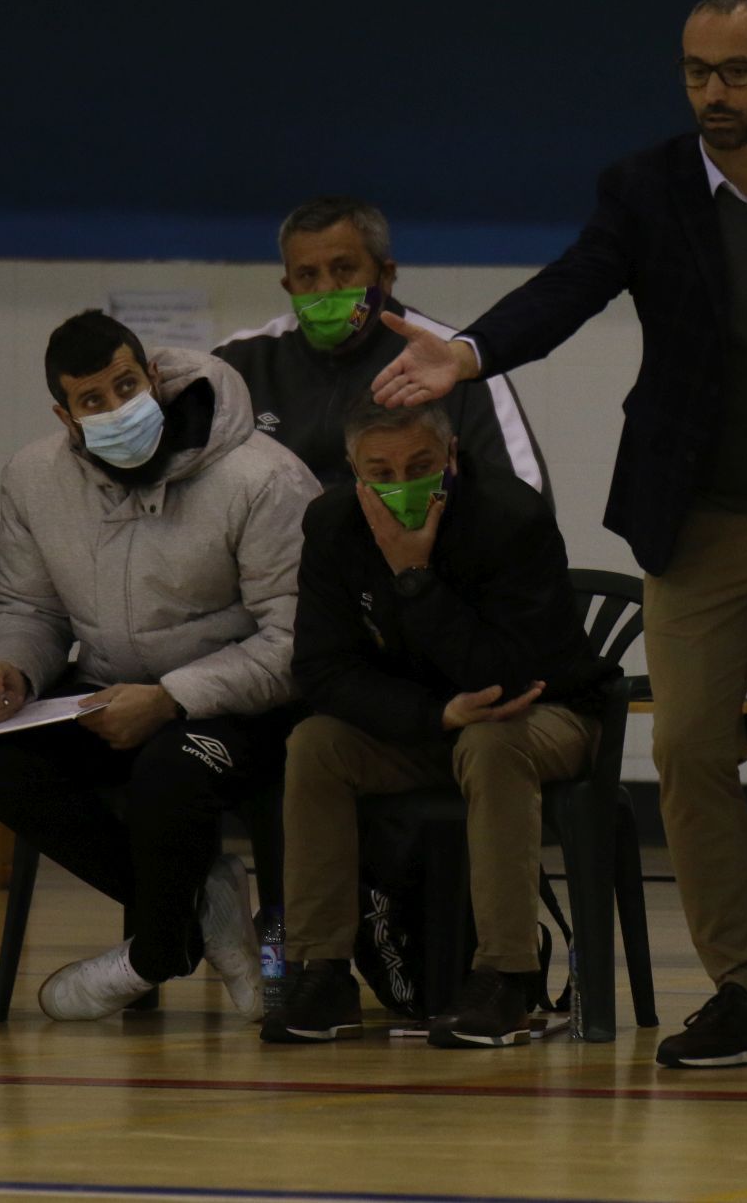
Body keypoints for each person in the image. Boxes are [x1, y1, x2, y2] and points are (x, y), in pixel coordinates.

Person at [370, 0, 747, 1073]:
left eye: (737, 72)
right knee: (688, 746)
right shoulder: (642, 188)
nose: (715, 94)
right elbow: (570, 289)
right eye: (697, 72)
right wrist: (469, 352)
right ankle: (743, 995)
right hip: (697, 520)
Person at [0, 312, 318, 1022]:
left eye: (127, 385)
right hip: (106, 689)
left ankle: (156, 950)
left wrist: (171, 697)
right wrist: (12, 669)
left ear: (154, 378)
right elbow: (27, 608)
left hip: (241, 706)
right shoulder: (35, 477)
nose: (116, 408)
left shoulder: (263, 478)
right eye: (92, 400)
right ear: (65, 416)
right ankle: (203, 899)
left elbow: (294, 643)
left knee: (169, 769)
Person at [262, 397, 613, 1048]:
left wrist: (414, 577)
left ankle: (505, 975)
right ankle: (322, 970)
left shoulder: (513, 518)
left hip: (549, 713)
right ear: (352, 468)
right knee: (314, 743)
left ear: (451, 457)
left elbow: (512, 677)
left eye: (419, 464)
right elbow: (321, 669)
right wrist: (432, 713)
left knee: (492, 739)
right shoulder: (332, 524)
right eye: (381, 470)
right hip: (432, 723)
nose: (401, 484)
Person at [215, 197, 549, 497]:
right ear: (288, 285)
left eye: (343, 269)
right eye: (307, 275)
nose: (326, 288)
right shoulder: (238, 362)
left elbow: (525, 501)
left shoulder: (450, 359)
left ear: (385, 275)